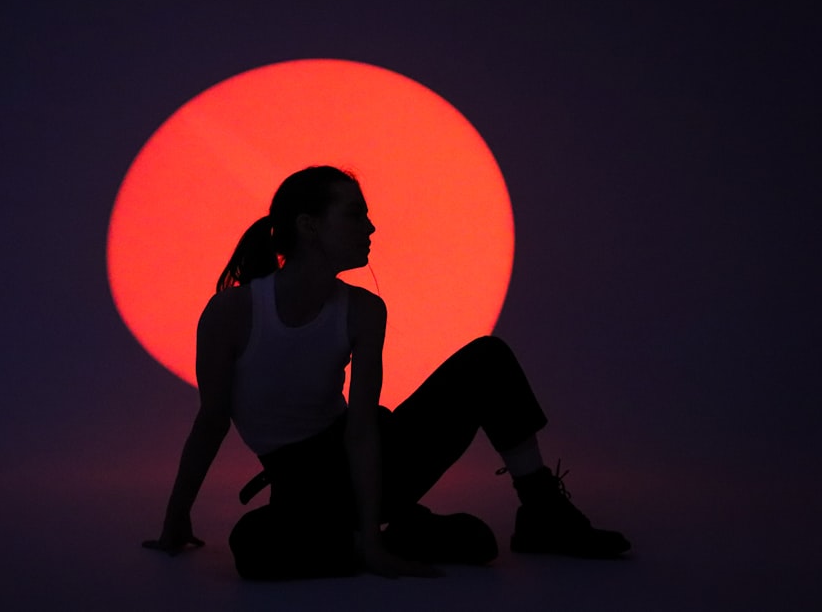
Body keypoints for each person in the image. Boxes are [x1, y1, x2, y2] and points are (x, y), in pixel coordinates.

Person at [145, 165, 630, 579]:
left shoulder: (363, 310)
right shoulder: (232, 312)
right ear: (310, 226)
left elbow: (359, 431)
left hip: (375, 459)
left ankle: (541, 512)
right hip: (304, 487)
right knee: (251, 546)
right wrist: (175, 518)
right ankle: (385, 534)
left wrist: (372, 535)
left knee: (487, 358)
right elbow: (211, 421)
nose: (371, 227)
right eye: (355, 214)